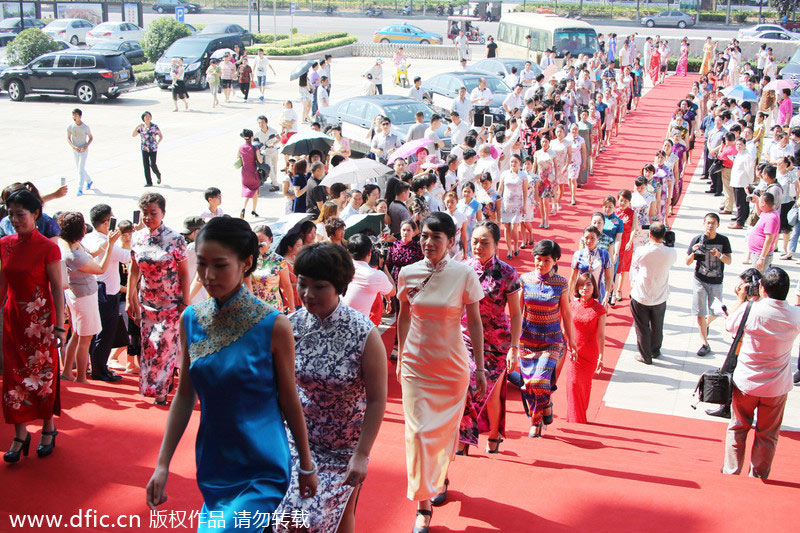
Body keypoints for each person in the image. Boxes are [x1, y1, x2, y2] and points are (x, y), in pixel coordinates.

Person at [146, 217, 318, 528]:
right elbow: (185, 395)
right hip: (214, 460)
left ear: (246, 263)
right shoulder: (191, 319)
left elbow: (290, 398)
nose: (208, 276)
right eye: (202, 264)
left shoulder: (273, 324)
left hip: (262, 463)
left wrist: (306, 464)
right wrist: (162, 464)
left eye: (220, 265)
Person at [274, 243, 387, 532]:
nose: (308, 294)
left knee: (334, 516)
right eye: (302, 284)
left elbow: (376, 400)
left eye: (319, 286)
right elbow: (279, 388)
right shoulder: (290, 325)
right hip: (297, 441)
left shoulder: (363, 333)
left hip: (344, 448)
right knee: (287, 517)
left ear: (339, 286)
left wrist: (361, 455)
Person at [396, 212, 485, 532]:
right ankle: (422, 506)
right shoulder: (407, 272)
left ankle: (440, 473)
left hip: (452, 367)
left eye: (436, 237)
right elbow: (403, 316)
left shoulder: (464, 274)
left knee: (444, 433)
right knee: (418, 433)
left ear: (450, 240)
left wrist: (481, 369)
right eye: (423, 236)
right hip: (416, 365)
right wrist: (401, 355)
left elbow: (474, 321)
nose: (428, 242)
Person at [1, 190, 65, 463]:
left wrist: (60, 326)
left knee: (43, 378)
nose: (15, 219)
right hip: (13, 321)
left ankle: (48, 428)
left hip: (40, 324)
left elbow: (57, 289)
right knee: (13, 378)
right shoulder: (4, 244)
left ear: (36, 214)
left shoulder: (49, 247)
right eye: (11, 214)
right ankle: (20, 433)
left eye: (20, 214)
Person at [722, 267, 800, 479]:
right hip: (776, 387)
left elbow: (729, 325)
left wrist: (740, 299)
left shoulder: (751, 309)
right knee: (768, 434)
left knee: (738, 428)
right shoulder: (795, 315)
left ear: (762, 289)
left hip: (746, 382)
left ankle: (731, 472)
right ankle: (758, 475)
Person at [457, 221, 521, 455]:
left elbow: (515, 314)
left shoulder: (507, 273)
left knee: (491, 394)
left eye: (485, 242)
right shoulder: (463, 268)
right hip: (465, 338)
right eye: (475, 241)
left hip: (497, 343)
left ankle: (495, 434)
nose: (479, 246)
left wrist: (515, 347)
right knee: (468, 385)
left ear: (496, 244)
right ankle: (464, 440)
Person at [127, 192, 190, 405]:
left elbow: (184, 272)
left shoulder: (175, 239)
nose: (148, 217)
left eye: (153, 213)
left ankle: (161, 391)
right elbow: (134, 269)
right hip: (147, 301)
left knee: (165, 345)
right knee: (149, 346)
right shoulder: (137, 237)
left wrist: (185, 301)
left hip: (171, 302)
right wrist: (130, 297)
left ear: (163, 213)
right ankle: (155, 386)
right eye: (145, 213)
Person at [515, 239, 576, 438]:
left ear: (556, 261)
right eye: (538, 259)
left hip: (552, 341)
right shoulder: (525, 280)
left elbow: (566, 314)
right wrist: (513, 342)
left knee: (540, 381)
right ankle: (546, 404)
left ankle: (536, 421)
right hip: (527, 340)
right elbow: (518, 312)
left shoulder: (561, 283)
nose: (541, 264)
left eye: (546, 260)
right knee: (530, 384)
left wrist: (572, 341)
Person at [58, 212, 121, 384]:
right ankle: (80, 376)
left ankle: (67, 372)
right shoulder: (74, 253)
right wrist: (110, 247)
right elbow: (100, 269)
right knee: (85, 338)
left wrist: (107, 243)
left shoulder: (68, 245)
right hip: (84, 296)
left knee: (77, 335)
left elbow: (90, 255)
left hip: (76, 294)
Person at [84, 204, 131, 382]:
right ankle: (100, 370)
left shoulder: (88, 238)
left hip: (94, 290)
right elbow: (128, 257)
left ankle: (94, 367)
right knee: (105, 334)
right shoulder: (106, 244)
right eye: (111, 218)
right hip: (107, 293)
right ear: (105, 223)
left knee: (93, 332)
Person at [629, 223, 676, 365]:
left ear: (650, 234)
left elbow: (635, 264)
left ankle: (645, 355)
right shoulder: (671, 253)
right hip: (660, 295)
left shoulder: (642, 251)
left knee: (642, 327)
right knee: (658, 325)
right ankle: (655, 350)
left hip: (641, 294)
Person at [687, 213, 732, 357]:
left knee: (716, 311)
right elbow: (687, 262)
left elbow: (729, 261)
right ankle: (705, 343)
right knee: (700, 312)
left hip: (716, 281)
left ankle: (706, 324)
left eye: (713, 223)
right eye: (708, 223)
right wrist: (694, 252)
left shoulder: (723, 240)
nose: (710, 226)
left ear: (718, 225)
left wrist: (719, 255)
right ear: (703, 223)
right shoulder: (697, 240)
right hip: (699, 279)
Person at [566, 273, 606, 424]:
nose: (585, 288)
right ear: (577, 287)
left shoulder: (599, 310)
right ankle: (576, 422)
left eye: (588, 284)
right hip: (573, 352)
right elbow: (566, 328)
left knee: (583, 388)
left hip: (590, 354)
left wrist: (601, 357)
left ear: (594, 287)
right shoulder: (572, 305)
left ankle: (578, 417)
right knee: (573, 384)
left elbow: (601, 335)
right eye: (581, 285)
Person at [342, 233, 396, 322]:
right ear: (370, 252)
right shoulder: (375, 275)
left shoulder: (339, 268)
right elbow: (393, 291)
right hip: (358, 327)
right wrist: (384, 267)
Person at [248, 225, 294, 313]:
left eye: (262, 241)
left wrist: (292, 308)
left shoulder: (279, 260)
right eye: (256, 241)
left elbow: (287, 285)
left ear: (270, 240)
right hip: (253, 308)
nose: (259, 245)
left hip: (273, 308)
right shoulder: (250, 259)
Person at [569, 226, 613, 305]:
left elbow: (608, 278)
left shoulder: (604, 254)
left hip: (599, 295)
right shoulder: (578, 254)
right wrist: (568, 295)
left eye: (592, 238)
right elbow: (573, 278)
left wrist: (606, 296)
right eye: (586, 238)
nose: (589, 241)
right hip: (581, 293)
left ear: (598, 238)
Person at [498, 154, 527, 259]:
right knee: (506, 227)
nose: (513, 164)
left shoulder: (523, 175)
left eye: (515, 162)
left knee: (514, 227)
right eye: (511, 162)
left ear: (519, 163)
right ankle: (509, 248)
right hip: (506, 204)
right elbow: (500, 189)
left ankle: (515, 245)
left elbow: (524, 191)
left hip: (517, 204)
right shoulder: (505, 174)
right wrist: (497, 200)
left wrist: (524, 204)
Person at [747, 192, 779, 272]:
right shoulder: (767, 213)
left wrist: (762, 257)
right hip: (756, 252)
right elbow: (759, 214)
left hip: (760, 254)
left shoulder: (771, 218)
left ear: (764, 204)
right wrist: (757, 202)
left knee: (758, 278)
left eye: (760, 202)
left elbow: (769, 239)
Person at [236, 129, 263, 219]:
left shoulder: (241, 147)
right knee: (255, 191)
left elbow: (238, 157)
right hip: (253, 173)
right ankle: (253, 210)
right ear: (252, 137)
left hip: (244, 173)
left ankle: (245, 208)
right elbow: (260, 160)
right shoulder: (255, 148)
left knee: (247, 191)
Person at [132, 111, 163, 187]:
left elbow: (161, 136)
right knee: (146, 165)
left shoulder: (154, 126)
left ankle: (158, 174)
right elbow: (133, 135)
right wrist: (137, 127)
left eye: (149, 116)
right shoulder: (141, 127)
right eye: (146, 117)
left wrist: (157, 143)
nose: (148, 118)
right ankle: (149, 182)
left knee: (153, 164)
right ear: (143, 119)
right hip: (144, 148)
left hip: (153, 148)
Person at [67, 108, 93, 195]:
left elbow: (91, 137)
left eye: (76, 115)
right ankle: (89, 181)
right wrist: (73, 146)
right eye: (73, 115)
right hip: (75, 150)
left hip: (83, 150)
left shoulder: (85, 127)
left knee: (80, 169)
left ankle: (80, 189)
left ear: (80, 116)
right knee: (79, 168)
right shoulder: (70, 126)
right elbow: (68, 138)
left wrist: (86, 146)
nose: (74, 117)